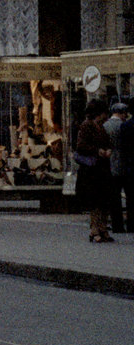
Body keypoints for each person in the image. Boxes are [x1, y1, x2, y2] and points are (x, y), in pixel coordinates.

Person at [75, 98, 113, 243]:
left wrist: (108, 149)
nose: (106, 115)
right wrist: (97, 151)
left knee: (104, 200)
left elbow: (108, 142)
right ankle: (95, 230)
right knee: (95, 201)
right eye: (104, 112)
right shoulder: (86, 126)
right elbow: (80, 146)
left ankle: (103, 228)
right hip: (92, 169)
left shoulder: (100, 126)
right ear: (99, 112)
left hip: (102, 167)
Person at [102, 102, 129, 233]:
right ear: (122, 113)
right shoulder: (124, 126)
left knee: (114, 197)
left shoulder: (105, 126)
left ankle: (117, 224)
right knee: (129, 195)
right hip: (124, 163)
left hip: (110, 164)